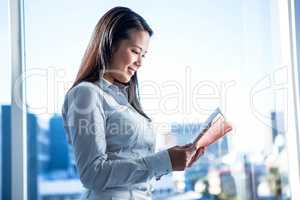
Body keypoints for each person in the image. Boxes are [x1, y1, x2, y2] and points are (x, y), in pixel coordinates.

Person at [62, 6, 206, 200]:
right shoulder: (87, 93)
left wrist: (173, 160)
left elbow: (133, 168)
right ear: (110, 45)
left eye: (144, 55)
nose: (140, 62)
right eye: (135, 51)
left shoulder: (124, 102)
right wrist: (165, 161)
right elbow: (92, 173)